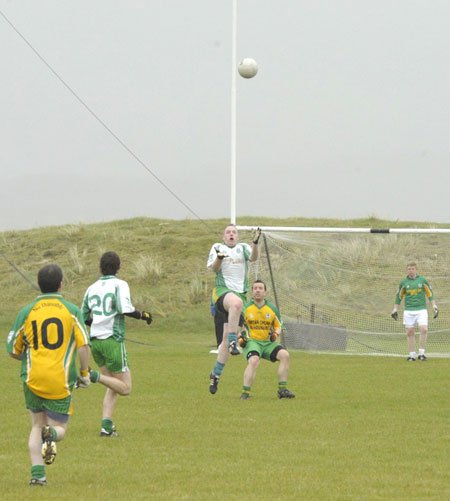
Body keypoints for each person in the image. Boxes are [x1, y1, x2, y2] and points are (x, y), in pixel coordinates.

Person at [6, 264, 91, 486]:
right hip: (59, 380)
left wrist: (27, 355)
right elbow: (83, 345)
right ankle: (51, 434)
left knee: (36, 425)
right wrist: (84, 373)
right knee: (58, 428)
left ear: (39, 284)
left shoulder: (26, 312)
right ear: (62, 284)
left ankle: (38, 476)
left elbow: (12, 350)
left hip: (32, 379)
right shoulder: (72, 310)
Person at [81, 251, 153, 436]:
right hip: (112, 341)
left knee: (113, 385)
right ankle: (93, 376)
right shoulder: (120, 284)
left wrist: (96, 323)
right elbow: (124, 308)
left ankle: (106, 427)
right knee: (126, 388)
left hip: (95, 342)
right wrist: (142, 315)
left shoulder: (91, 287)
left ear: (101, 268)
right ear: (119, 267)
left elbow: (83, 316)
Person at [207, 225, 260, 394]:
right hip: (223, 293)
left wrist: (256, 243)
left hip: (240, 295)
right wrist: (220, 258)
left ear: (237, 237)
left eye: (234, 232)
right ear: (223, 237)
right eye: (228, 232)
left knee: (224, 340)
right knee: (236, 304)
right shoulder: (218, 247)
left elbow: (253, 257)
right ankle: (233, 341)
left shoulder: (243, 248)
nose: (231, 234)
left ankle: (215, 374)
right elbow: (214, 269)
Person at [239, 280, 295, 400]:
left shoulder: (272, 308)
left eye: (260, 288)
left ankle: (282, 390)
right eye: (255, 288)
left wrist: (275, 334)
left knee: (285, 355)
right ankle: (245, 393)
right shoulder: (246, 308)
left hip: (268, 343)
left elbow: (279, 326)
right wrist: (240, 337)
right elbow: (238, 326)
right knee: (254, 361)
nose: (257, 290)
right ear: (252, 291)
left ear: (265, 292)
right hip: (252, 342)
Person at [391, 262, 438, 361]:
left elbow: (430, 293)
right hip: (408, 311)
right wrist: (395, 309)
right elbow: (399, 297)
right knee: (410, 332)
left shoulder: (422, 280)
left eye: (412, 268)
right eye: (409, 269)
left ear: (416, 270)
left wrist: (434, 306)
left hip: (421, 309)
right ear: (407, 270)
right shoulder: (404, 283)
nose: (411, 270)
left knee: (424, 329)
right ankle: (412, 355)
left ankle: (421, 354)